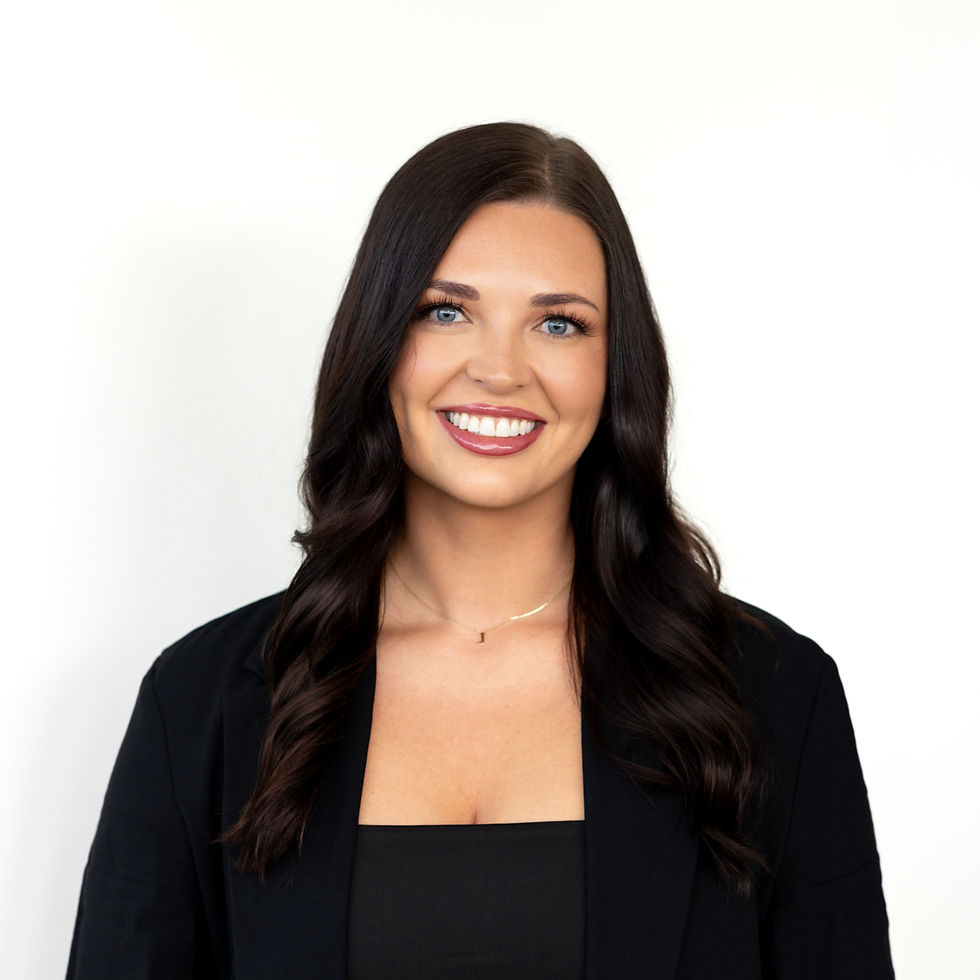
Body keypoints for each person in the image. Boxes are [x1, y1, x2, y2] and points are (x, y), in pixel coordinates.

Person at [68, 122, 893, 979]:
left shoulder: (772, 695)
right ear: (381, 343)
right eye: (447, 311)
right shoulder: (201, 703)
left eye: (560, 325)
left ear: (617, 369)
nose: (500, 370)